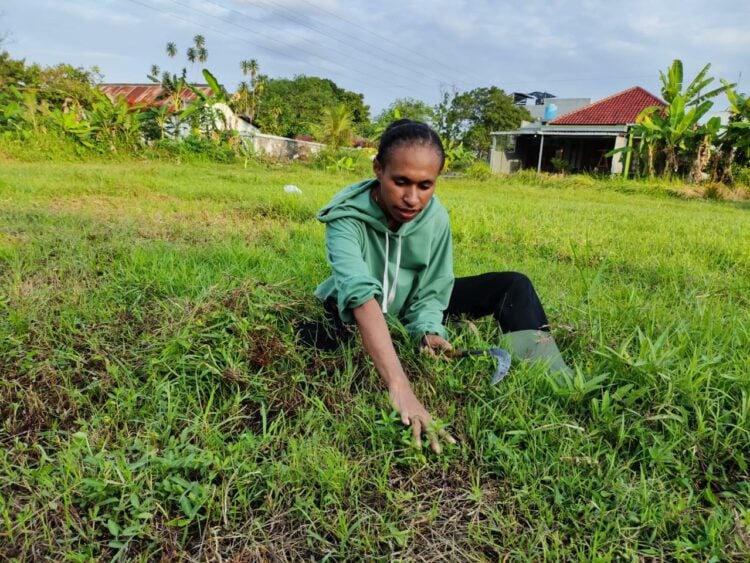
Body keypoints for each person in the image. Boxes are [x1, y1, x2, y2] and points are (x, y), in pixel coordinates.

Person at [300, 119, 571, 453]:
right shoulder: (345, 218)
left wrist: (427, 329)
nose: (413, 198)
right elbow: (359, 295)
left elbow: (434, 286)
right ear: (378, 169)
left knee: (513, 284)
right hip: (357, 310)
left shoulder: (435, 217)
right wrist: (400, 387)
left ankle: (558, 383)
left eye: (425, 185)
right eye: (401, 182)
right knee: (319, 337)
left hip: (409, 299)